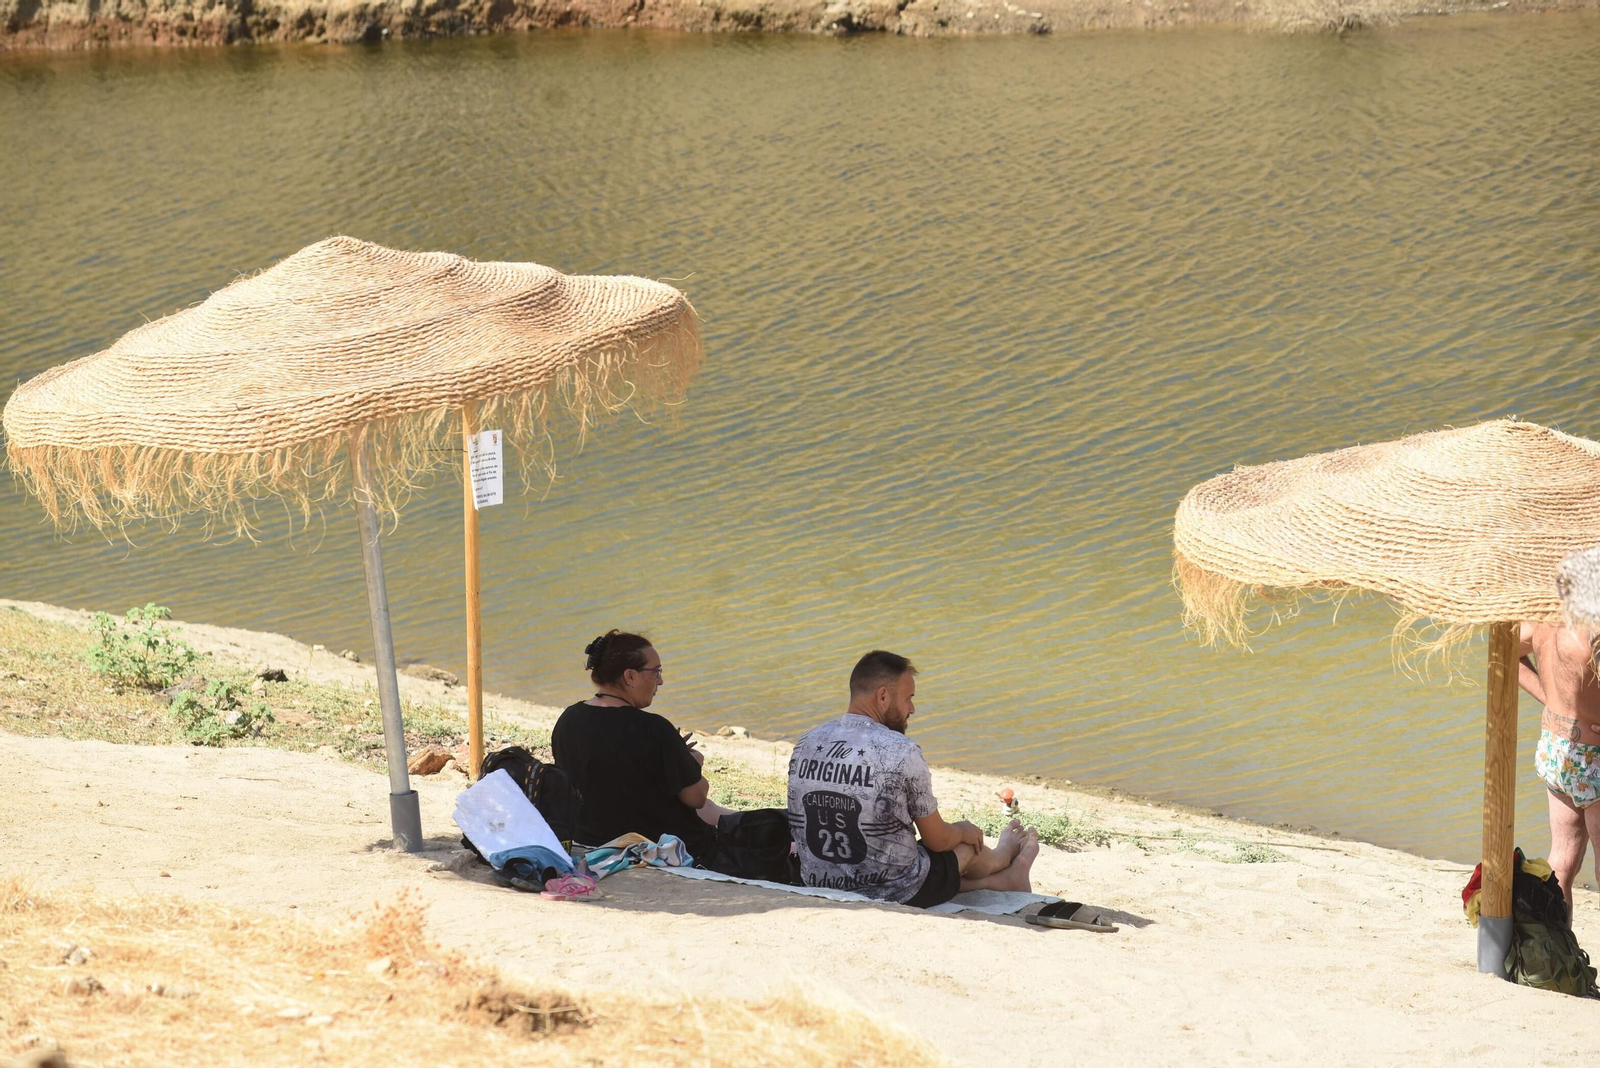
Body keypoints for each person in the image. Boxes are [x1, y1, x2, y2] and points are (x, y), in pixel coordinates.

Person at [787, 650, 1038, 908]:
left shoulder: (807, 741)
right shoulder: (901, 750)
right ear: (883, 696)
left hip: (818, 881)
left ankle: (1006, 879)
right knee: (963, 848)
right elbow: (938, 841)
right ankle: (1003, 856)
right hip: (896, 891)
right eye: (908, 699)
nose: (912, 709)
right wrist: (963, 830)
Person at [552, 631, 730, 861]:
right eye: (656, 672)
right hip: (652, 844)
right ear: (630, 676)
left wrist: (675, 758)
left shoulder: (568, 719)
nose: (660, 681)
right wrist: (693, 763)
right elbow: (696, 798)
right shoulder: (653, 728)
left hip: (590, 838)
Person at [1518, 621, 1600, 913]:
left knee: (1562, 861)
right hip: (1595, 756)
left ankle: (1560, 952)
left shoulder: (1544, 621)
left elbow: (1504, 652)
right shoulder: (1595, 631)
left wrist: (1549, 699)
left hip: (1557, 750)